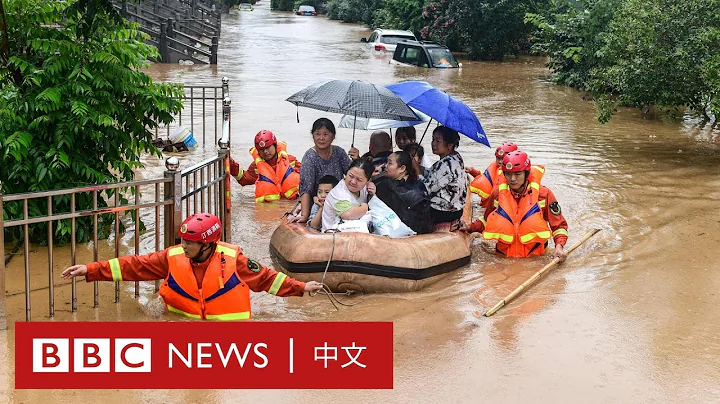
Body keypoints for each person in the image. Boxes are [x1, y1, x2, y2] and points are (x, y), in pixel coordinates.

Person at [61, 213, 323, 320]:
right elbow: (135, 266)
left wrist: (301, 287)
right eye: (183, 241)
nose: (184, 246)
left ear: (208, 244)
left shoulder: (235, 260)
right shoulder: (172, 257)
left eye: (190, 243)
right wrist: (91, 269)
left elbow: (267, 280)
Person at [464, 151, 568, 260]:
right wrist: (470, 227)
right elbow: (487, 220)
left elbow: (559, 225)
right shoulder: (497, 194)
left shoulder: (544, 195)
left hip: (535, 258)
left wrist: (559, 247)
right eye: (508, 174)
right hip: (503, 258)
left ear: (526, 174)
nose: (512, 179)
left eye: (517, 174)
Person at [287, 118, 351, 224]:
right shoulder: (310, 157)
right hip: (317, 203)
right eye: (317, 134)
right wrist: (304, 215)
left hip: (338, 201)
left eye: (325, 134)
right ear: (313, 136)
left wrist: (357, 159)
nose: (321, 138)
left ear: (333, 136)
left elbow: (351, 176)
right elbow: (306, 189)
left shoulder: (339, 152)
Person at [230, 129, 301, 203]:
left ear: (275, 145)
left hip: (292, 203)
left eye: (267, 147)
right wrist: (231, 163)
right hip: (271, 208)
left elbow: (307, 177)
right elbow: (243, 179)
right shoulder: (256, 166)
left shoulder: (290, 160)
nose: (265, 152)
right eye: (261, 149)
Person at [466, 142, 545, 208]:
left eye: (502, 159)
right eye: (498, 158)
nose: (500, 162)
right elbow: (485, 177)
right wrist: (472, 171)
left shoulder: (536, 188)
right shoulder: (494, 169)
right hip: (491, 204)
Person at [374, 150, 433, 234]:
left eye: (390, 163)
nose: (385, 166)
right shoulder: (419, 184)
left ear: (402, 168)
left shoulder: (385, 186)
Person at [423, 126, 467, 231]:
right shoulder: (456, 157)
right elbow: (433, 174)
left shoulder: (446, 164)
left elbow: (426, 189)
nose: (433, 144)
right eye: (433, 139)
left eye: (438, 141)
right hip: (456, 210)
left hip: (442, 212)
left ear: (449, 145)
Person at [321, 159, 376, 232]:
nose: (353, 181)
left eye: (359, 180)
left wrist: (372, 194)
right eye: (351, 176)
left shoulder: (365, 188)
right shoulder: (338, 193)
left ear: (368, 181)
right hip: (332, 236)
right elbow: (348, 215)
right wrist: (365, 207)